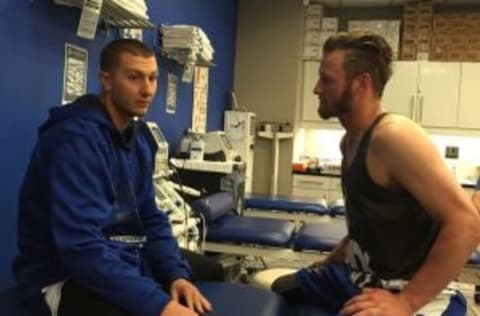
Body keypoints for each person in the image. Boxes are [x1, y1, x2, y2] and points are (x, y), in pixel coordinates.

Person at [272, 33, 480, 316]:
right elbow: (372, 224)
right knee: (283, 290)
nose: (317, 88)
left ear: (362, 83)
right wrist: (335, 256)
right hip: (359, 277)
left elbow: (467, 223)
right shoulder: (349, 142)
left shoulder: (393, 136)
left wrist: (406, 302)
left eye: (327, 79)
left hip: (408, 292)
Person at [13, 39, 212, 316]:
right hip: (63, 274)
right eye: (134, 77)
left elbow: (150, 217)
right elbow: (81, 248)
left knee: (210, 273)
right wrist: (160, 305)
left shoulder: (138, 139)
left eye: (153, 78)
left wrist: (176, 275)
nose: (147, 89)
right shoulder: (75, 141)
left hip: (119, 256)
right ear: (106, 80)